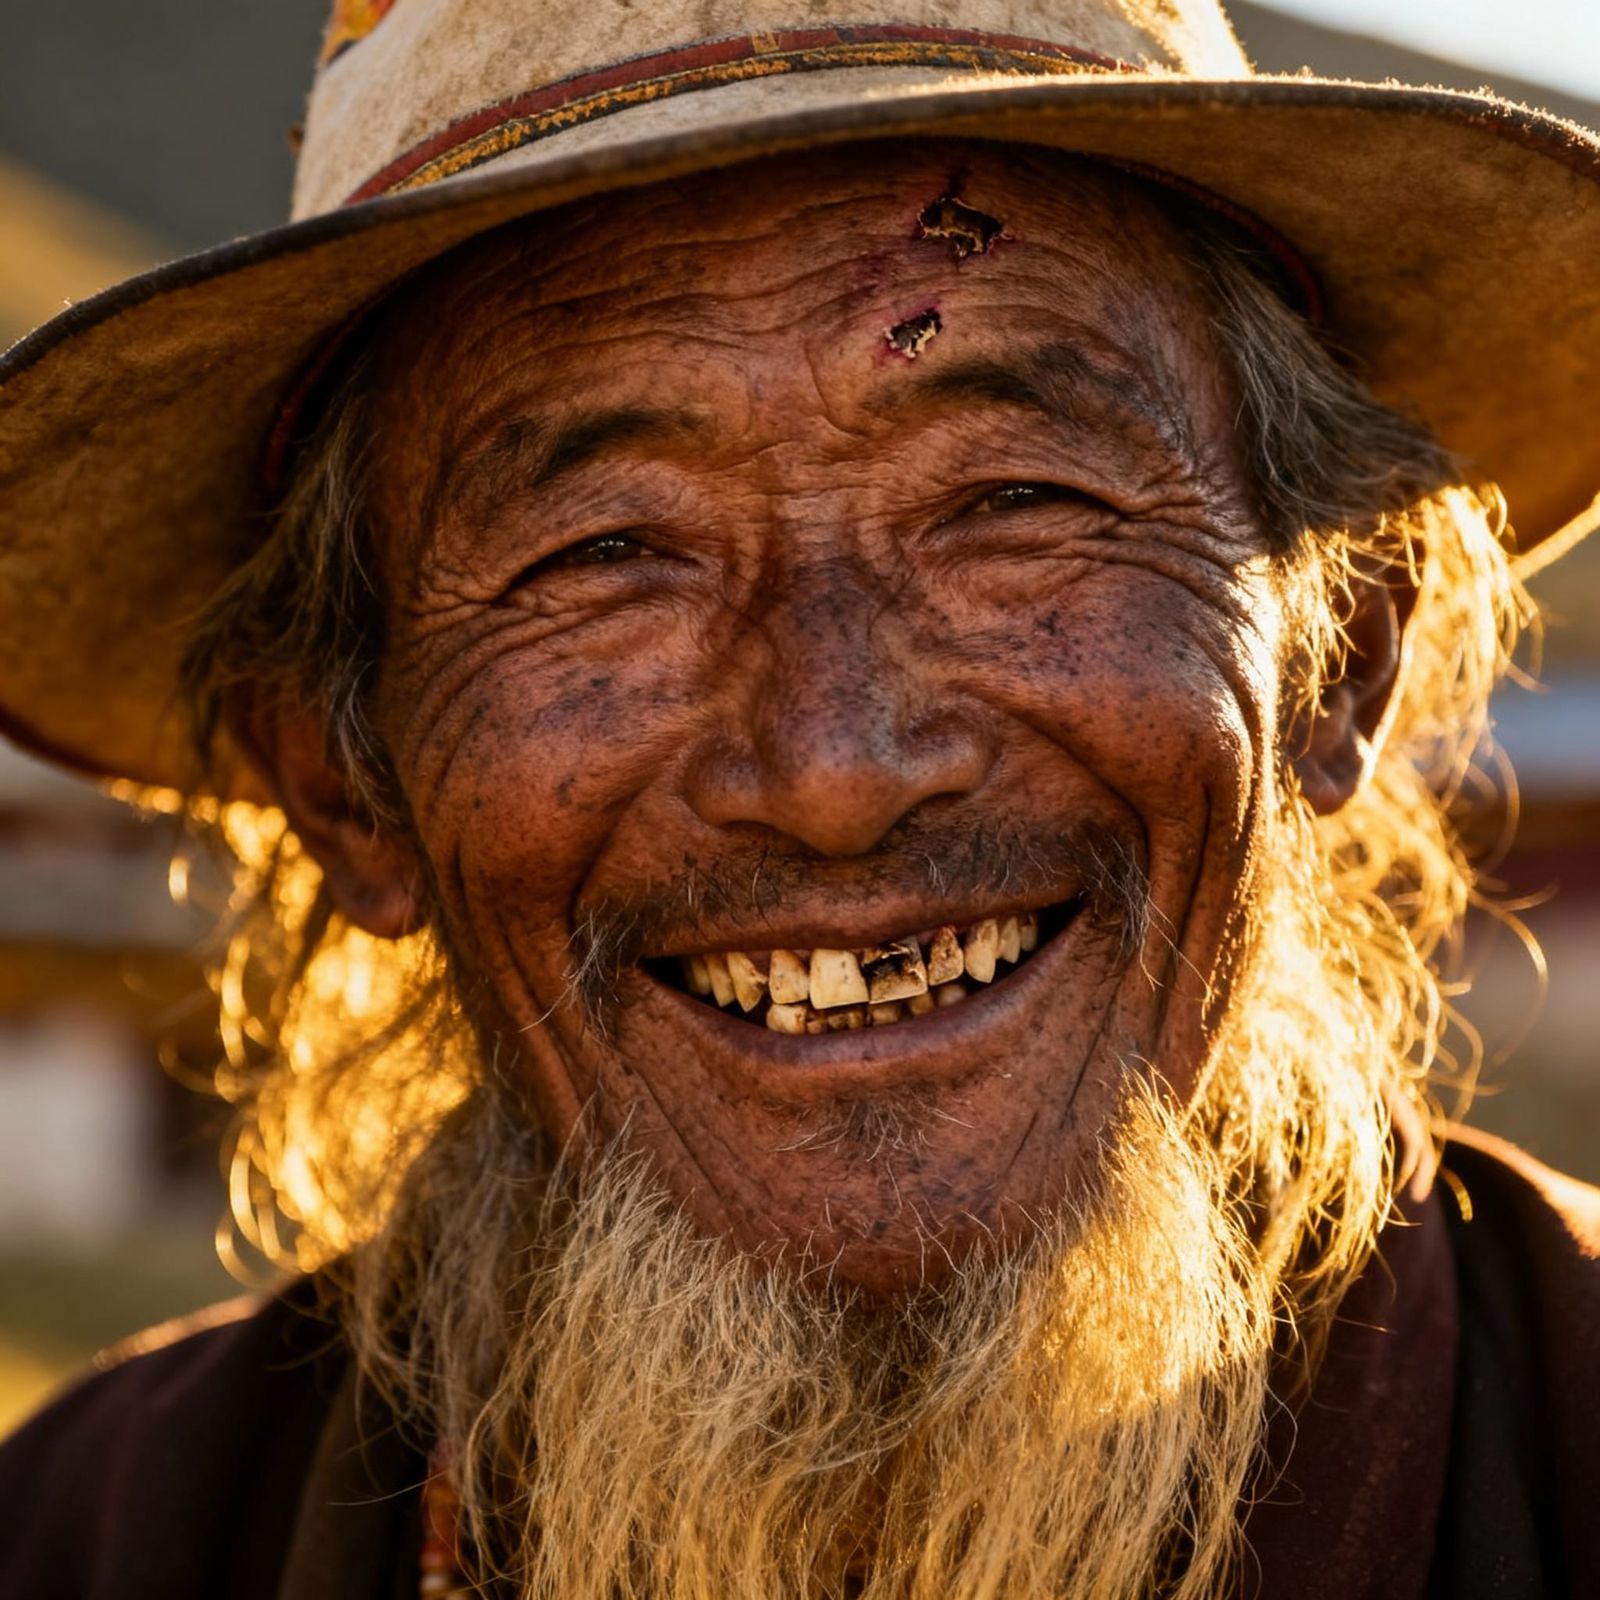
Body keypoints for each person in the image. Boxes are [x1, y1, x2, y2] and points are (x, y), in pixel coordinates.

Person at [1, 1, 1598, 1595]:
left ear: (1340, 658)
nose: (836, 771)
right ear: (346, 785)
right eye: (610, 555)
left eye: (1015, 502)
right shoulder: (95, 1541)